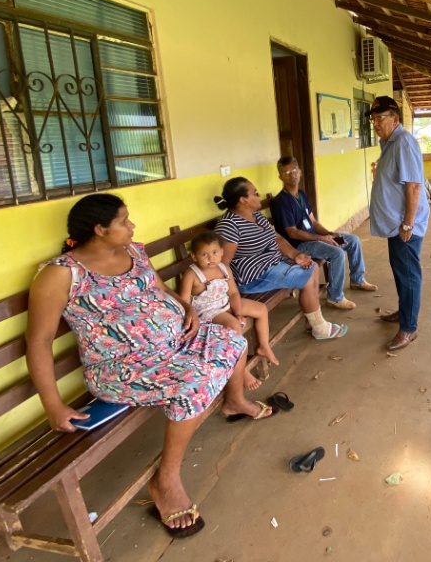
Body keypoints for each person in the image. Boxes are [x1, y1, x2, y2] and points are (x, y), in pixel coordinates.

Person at [27, 194, 273, 540]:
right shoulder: (60, 274)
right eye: (124, 221)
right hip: (122, 368)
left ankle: (234, 402)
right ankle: (166, 479)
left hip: (175, 344)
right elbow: (38, 342)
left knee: (232, 340)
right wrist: (52, 404)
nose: (132, 226)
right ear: (99, 229)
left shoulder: (133, 251)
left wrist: (185, 308)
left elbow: (158, 289)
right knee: (193, 385)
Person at [214, 177, 347, 340]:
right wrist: (231, 297)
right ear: (243, 200)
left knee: (309, 266)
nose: (259, 194)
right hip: (253, 277)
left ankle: (314, 323)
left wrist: (295, 255)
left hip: (273, 265)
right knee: (310, 272)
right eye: (255, 193)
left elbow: (277, 238)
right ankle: (318, 326)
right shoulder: (229, 225)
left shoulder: (255, 215)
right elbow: (222, 264)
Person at [271, 155, 377, 311]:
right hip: (299, 246)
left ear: (299, 172)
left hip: (315, 238)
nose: (292, 174)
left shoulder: (301, 195)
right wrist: (322, 238)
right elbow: (292, 233)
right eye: (286, 172)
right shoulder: (281, 202)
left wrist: (330, 234)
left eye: (294, 170)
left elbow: (313, 222)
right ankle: (335, 297)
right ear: (280, 177)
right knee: (336, 253)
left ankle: (357, 279)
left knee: (352, 240)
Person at [367, 95, 430, 351]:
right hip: (396, 224)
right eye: (373, 119)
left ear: (395, 118)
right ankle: (404, 313)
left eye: (380, 118)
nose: (375, 124)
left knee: (408, 274)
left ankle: (409, 329)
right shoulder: (389, 142)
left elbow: (414, 186)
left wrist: (407, 224)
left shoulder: (403, 142)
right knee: (400, 271)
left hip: (404, 226)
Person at [179, 230, 279, 391]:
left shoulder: (224, 268)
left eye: (214, 252)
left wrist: (238, 312)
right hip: (208, 310)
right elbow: (184, 302)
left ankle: (263, 345)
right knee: (234, 326)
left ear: (222, 252)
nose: (210, 258)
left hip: (225, 303)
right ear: (194, 256)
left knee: (260, 309)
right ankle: (242, 370)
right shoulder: (192, 274)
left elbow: (233, 293)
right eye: (204, 254)